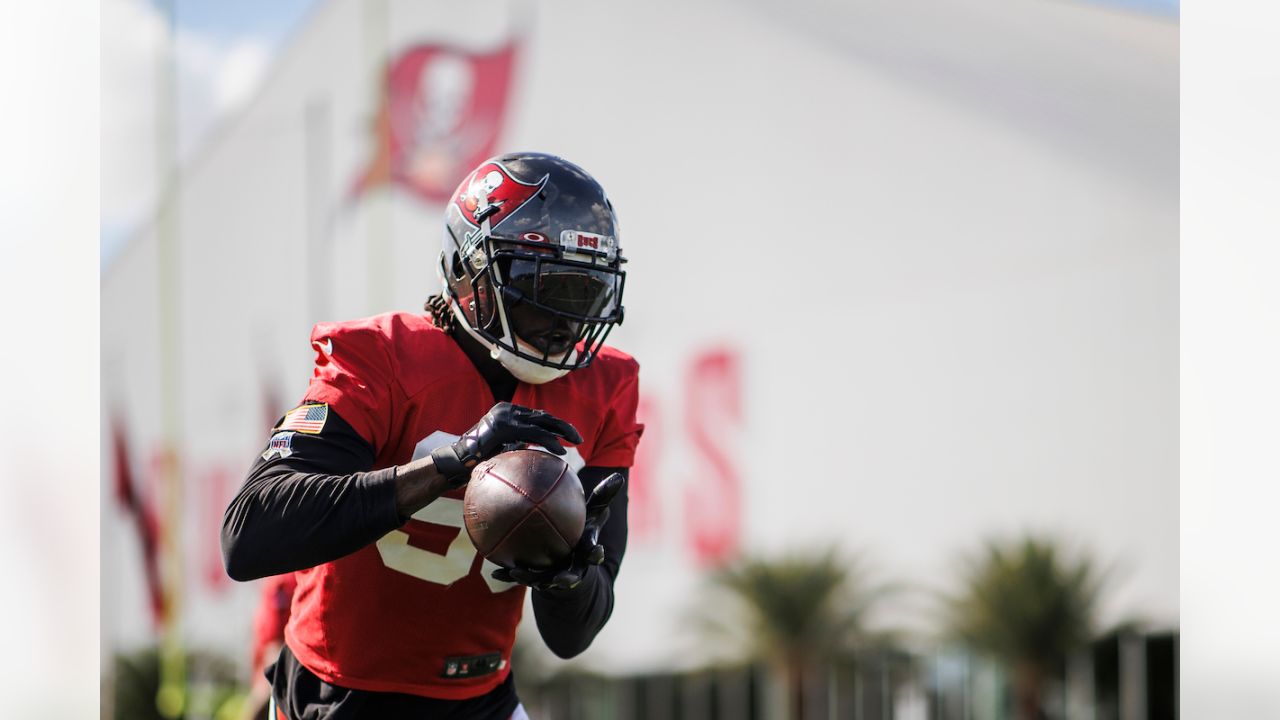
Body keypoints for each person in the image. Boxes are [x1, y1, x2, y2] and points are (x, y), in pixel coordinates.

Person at [221, 152, 642, 720]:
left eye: (582, 295)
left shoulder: (605, 388)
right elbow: (248, 533)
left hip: (482, 699)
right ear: (471, 275)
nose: (565, 324)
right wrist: (450, 464)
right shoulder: (381, 360)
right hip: (340, 695)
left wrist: (567, 577)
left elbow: (574, 636)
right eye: (543, 288)